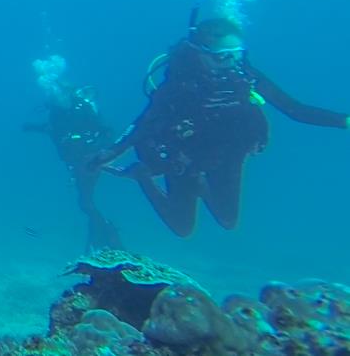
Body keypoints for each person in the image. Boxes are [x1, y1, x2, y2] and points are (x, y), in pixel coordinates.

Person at [91, 15, 349, 237]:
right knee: (182, 228)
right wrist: (110, 153)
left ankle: (200, 186)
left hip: (228, 153)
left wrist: (344, 121)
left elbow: (296, 110)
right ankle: (142, 175)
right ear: (200, 54)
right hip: (184, 156)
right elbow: (143, 124)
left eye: (237, 55)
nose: (231, 64)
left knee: (228, 221)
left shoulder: (244, 75)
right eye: (222, 56)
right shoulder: (180, 84)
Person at [23, 81, 123, 251]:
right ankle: (101, 234)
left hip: (91, 160)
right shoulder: (56, 113)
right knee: (84, 201)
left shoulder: (83, 108)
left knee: (85, 201)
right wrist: (32, 127)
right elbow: (53, 130)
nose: (57, 100)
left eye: (59, 95)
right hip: (75, 163)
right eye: (54, 97)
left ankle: (106, 236)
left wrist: (95, 151)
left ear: (68, 93)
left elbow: (107, 132)